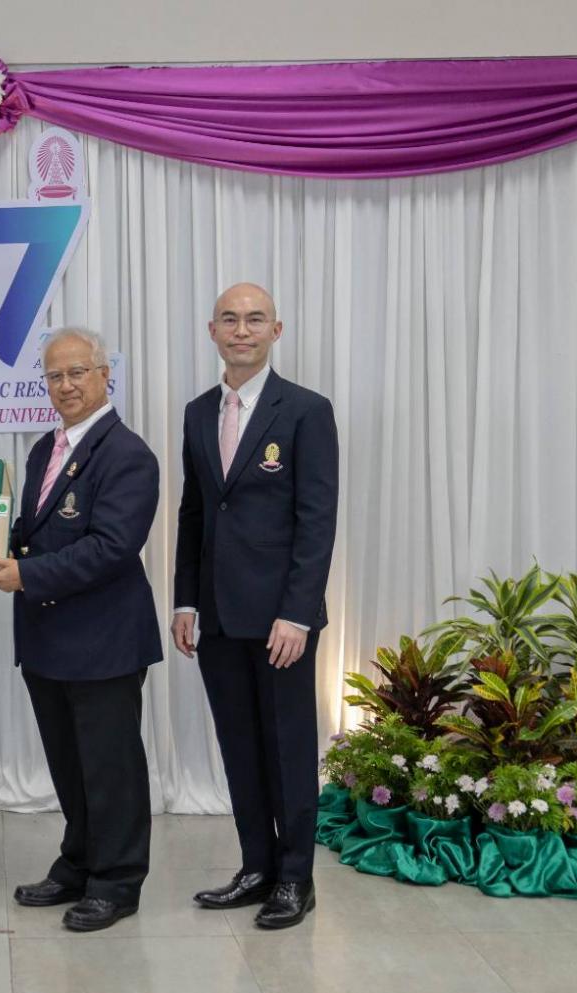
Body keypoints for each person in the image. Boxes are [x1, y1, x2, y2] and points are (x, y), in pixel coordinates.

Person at [0, 327, 162, 932]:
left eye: (77, 372)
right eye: (55, 375)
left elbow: (110, 548)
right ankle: (79, 862)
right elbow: (32, 534)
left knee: (110, 768)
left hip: (104, 641)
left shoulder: (128, 454)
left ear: (106, 375)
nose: (66, 385)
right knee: (70, 765)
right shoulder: (44, 449)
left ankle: (118, 881)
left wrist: (25, 576)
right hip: (48, 639)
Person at [172, 282, 339, 929]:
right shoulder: (197, 413)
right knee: (239, 746)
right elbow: (194, 513)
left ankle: (295, 877)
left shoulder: (305, 411)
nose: (241, 330)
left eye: (254, 319)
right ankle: (255, 867)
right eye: (230, 320)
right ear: (212, 330)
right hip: (217, 616)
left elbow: (315, 520)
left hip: (280, 621)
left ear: (276, 330)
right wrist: (185, 600)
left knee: (288, 748)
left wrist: (297, 613)